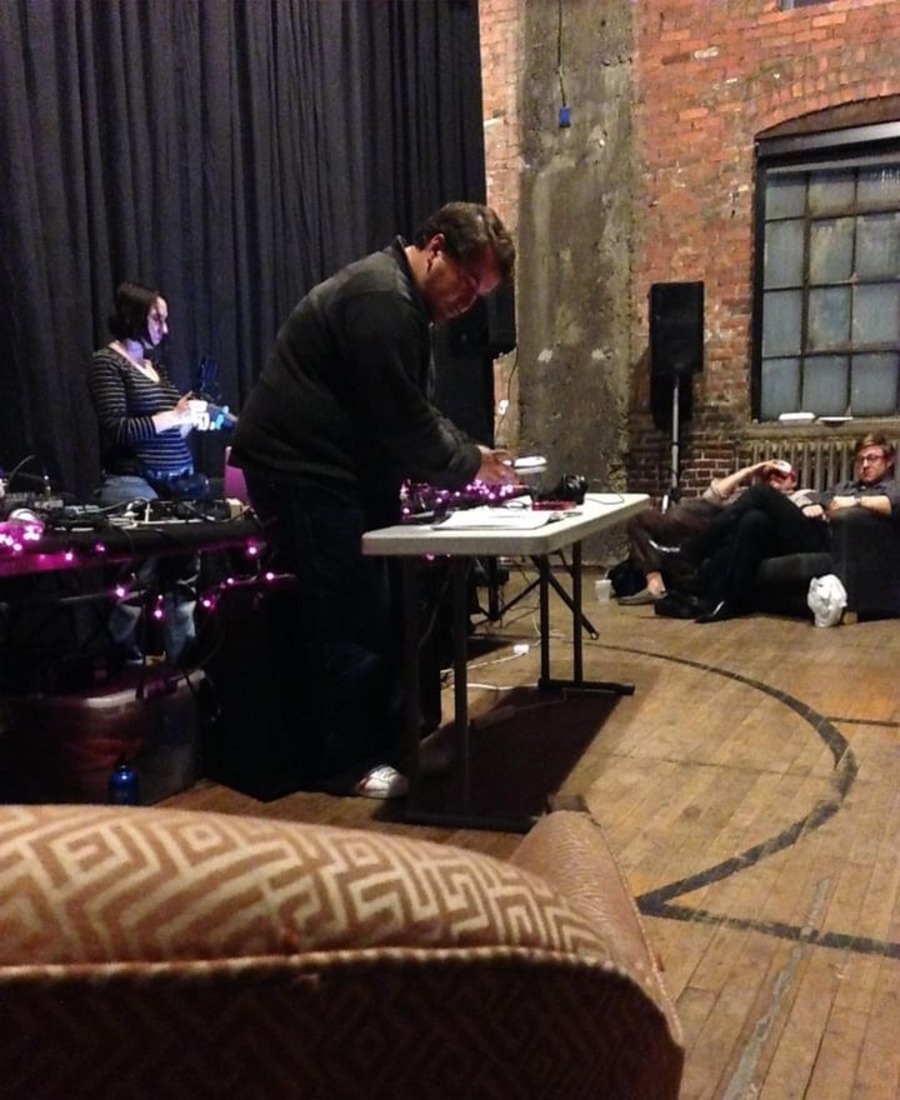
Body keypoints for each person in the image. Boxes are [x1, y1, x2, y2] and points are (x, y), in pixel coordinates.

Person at [230, 201, 517, 799]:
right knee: (349, 614)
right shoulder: (382, 299)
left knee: (384, 609)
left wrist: (469, 451)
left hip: (342, 473)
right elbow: (404, 419)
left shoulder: (397, 300)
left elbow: (410, 411)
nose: (468, 302)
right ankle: (349, 764)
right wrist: (471, 464)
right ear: (435, 247)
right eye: (467, 284)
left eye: (479, 294)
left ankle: (392, 747)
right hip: (303, 472)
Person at [87, 280, 207, 665]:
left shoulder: (155, 368)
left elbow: (172, 423)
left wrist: (192, 418)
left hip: (177, 482)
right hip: (133, 480)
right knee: (139, 571)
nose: (164, 328)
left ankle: (183, 659)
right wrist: (173, 415)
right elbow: (119, 428)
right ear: (134, 316)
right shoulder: (107, 363)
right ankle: (121, 657)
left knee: (185, 570)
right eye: (157, 318)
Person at [692, 432, 900, 623]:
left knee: (761, 493)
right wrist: (814, 505)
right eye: (861, 459)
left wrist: (855, 501)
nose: (864, 465)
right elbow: (818, 497)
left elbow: (892, 504)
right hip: (810, 530)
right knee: (754, 521)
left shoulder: (893, 487)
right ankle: (732, 601)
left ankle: (691, 551)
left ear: (889, 461)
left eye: (872, 458)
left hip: (828, 542)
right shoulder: (846, 486)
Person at [619, 459, 797, 606]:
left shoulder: (797, 497)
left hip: (741, 532)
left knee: (682, 514)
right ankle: (655, 583)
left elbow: (808, 513)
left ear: (793, 481)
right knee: (640, 518)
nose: (773, 481)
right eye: (768, 477)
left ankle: (679, 557)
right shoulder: (748, 492)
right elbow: (713, 495)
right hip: (713, 526)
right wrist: (750, 470)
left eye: (780, 477)